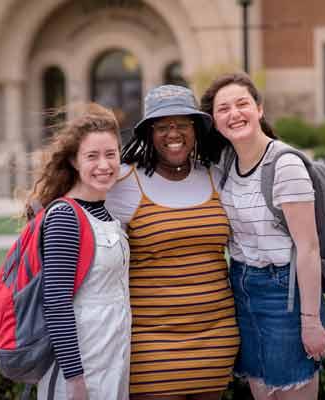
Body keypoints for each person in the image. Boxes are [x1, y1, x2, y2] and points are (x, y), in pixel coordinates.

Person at [200, 72, 325, 400]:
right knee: (262, 392)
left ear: (259, 109)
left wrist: (311, 321)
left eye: (242, 104)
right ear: (214, 122)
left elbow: (309, 248)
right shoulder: (225, 165)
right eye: (223, 109)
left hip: (285, 293)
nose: (234, 114)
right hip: (242, 289)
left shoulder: (284, 165)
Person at [105, 85, 240, 400]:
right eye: (162, 126)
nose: (173, 133)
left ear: (196, 130)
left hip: (216, 339)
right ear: (149, 134)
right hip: (151, 344)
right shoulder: (123, 182)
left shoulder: (216, 176)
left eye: (182, 124)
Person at [24, 103, 131, 400]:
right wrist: (75, 380)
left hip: (112, 358)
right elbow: (56, 303)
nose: (104, 165)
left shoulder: (105, 213)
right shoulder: (65, 217)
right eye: (92, 156)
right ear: (74, 161)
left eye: (111, 154)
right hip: (81, 369)